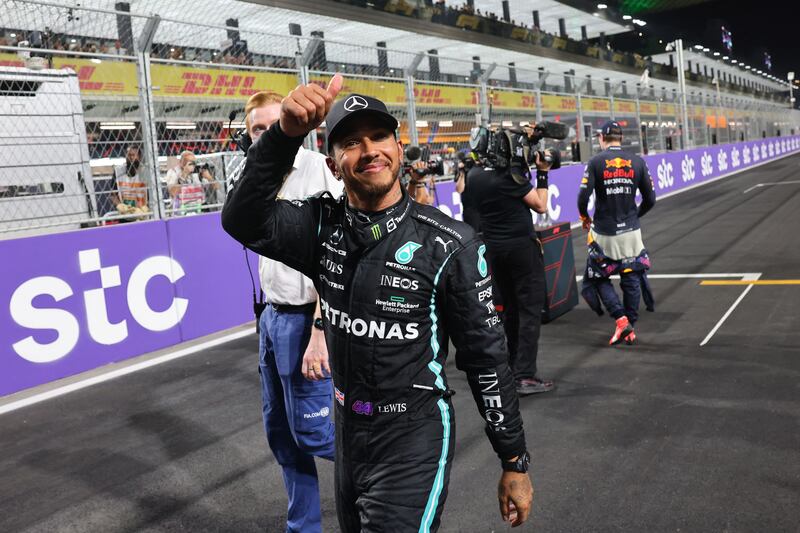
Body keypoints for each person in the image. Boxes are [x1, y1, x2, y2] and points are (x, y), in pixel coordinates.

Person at [222, 74, 533, 532]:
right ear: (332, 162)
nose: (369, 150)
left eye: (380, 136)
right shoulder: (321, 226)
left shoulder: (451, 244)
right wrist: (283, 135)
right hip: (348, 432)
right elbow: (242, 219)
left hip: (413, 437)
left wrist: (514, 458)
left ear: (399, 147)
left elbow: (487, 360)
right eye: (351, 141)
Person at [240, 90, 343, 533]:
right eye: (256, 130)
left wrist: (320, 330)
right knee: (281, 437)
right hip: (272, 318)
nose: (265, 135)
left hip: (308, 320)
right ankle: (304, 528)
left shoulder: (319, 169)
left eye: (272, 125)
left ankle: (395, 469)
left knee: (317, 434)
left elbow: (340, 254)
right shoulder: (253, 173)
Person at [465, 135, 555, 396]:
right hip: (521, 251)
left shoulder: (475, 176)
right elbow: (540, 205)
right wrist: (542, 173)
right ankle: (525, 375)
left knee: (511, 312)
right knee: (529, 311)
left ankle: (512, 368)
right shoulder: (510, 177)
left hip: (494, 250)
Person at [577, 120, 656, 345]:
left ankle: (621, 320)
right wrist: (635, 216)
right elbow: (650, 199)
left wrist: (584, 217)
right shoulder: (638, 161)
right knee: (631, 275)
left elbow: (582, 198)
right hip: (631, 231)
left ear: (601, 138)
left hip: (604, 232)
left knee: (596, 277)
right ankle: (630, 326)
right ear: (621, 138)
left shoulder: (595, 162)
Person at [164, 150, 218, 215]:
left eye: (193, 162)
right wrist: (184, 174)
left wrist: (209, 177)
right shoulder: (173, 172)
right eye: (189, 162)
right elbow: (173, 193)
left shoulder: (197, 171)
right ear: (181, 163)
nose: (192, 165)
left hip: (200, 207)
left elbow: (217, 187)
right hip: (182, 208)